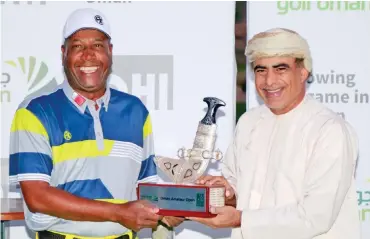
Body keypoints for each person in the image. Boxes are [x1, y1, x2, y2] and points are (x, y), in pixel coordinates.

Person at [8, 8, 183, 239]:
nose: (88, 55)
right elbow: (37, 197)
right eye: (78, 46)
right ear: (63, 53)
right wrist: (118, 212)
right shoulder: (35, 112)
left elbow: (145, 186)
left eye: (98, 45)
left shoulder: (135, 111)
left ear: (110, 52)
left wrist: (172, 208)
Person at [188, 28, 361, 239]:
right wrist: (227, 192)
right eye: (261, 70)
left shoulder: (329, 130)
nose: (269, 81)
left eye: (281, 69)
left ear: (303, 71)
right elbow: (240, 190)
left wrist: (240, 219)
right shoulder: (249, 122)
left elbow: (315, 216)